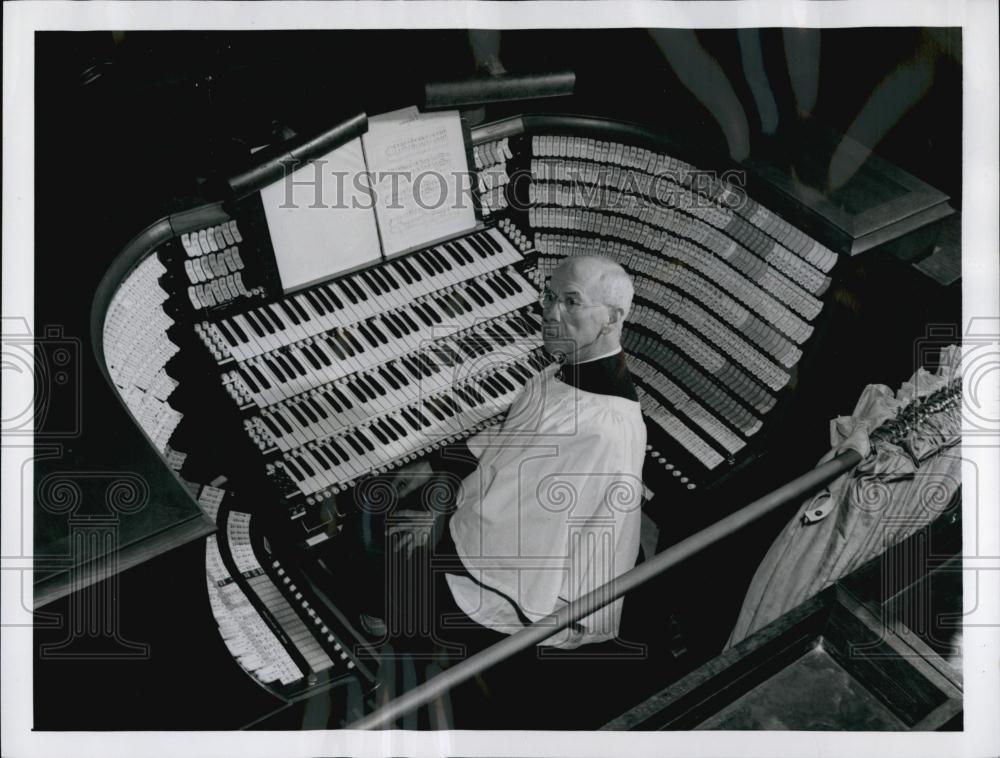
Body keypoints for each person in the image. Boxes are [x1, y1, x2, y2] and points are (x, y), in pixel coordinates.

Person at [349, 255, 647, 652]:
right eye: (549, 295)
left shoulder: (601, 428)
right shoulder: (568, 370)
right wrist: (435, 466)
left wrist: (437, 524)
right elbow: (512, 441)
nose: (549, 312)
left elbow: (521, 535)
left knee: (371, 547)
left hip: (524, 593)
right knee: (382, 494)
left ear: (612, 318)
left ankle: (387, 638)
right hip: (500, 535)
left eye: (571, 302)